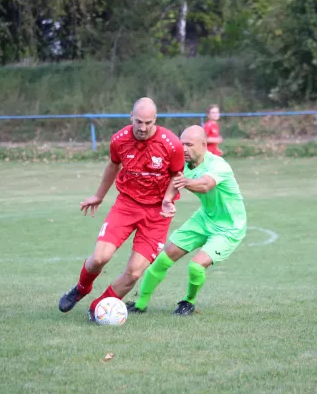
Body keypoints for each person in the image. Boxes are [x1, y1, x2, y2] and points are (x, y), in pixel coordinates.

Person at [58, 97, 185, 321]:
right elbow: (113, 165)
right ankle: (82, 288)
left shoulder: (171, 144)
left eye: (148, 122)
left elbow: (177, 175)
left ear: (155, 119)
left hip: (157, 214)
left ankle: (98, 308)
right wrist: (99, 196)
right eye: (139, 122)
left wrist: (167, 199)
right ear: (131, 117)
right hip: (126, 205)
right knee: (99, 258)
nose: (143, 127)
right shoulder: (119, 139)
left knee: (135, 272)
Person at [126, 125, 246, 316]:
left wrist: (185, 182)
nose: (184, 149)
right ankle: (140, 304)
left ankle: (188, 302)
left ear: (204, 145)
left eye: (189, 144)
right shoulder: (182, 164)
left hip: (229, 227)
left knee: (196, 265)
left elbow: (206, 185)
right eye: (181, 144)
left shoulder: (218, 165)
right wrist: (166, 199)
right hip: (204, 217)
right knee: (164, 258)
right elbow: (173, 180)